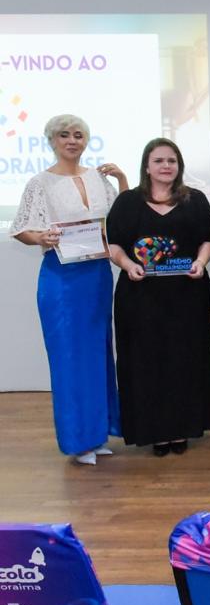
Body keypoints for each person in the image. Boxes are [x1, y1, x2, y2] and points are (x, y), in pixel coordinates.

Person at [11, 114, 127, 465]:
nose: (72, 141)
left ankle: (99, 433)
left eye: (78, 135)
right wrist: (41, 238)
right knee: (69, 358)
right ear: (52, 141)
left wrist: (123, 179)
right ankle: (78, 441)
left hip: (97, 275)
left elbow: (122, 218)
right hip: (61, 280)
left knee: (98, 353)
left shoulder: (98, 178)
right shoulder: (40, 183)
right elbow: (21, 229)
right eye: (64, 135)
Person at [107, 138, 210, 456]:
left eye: (172, 160)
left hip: (187, 297)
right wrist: (128, 265)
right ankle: (155, 432)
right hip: (140, 299)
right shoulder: (127, 202)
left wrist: (201, 262)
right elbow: (114, 244)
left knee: (185, 361)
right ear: (146, 166)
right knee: (146, 363)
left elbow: (208, 239)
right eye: (158, 161)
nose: (166, 166)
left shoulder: (195, 199)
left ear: (179, 165)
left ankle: (183, 429)